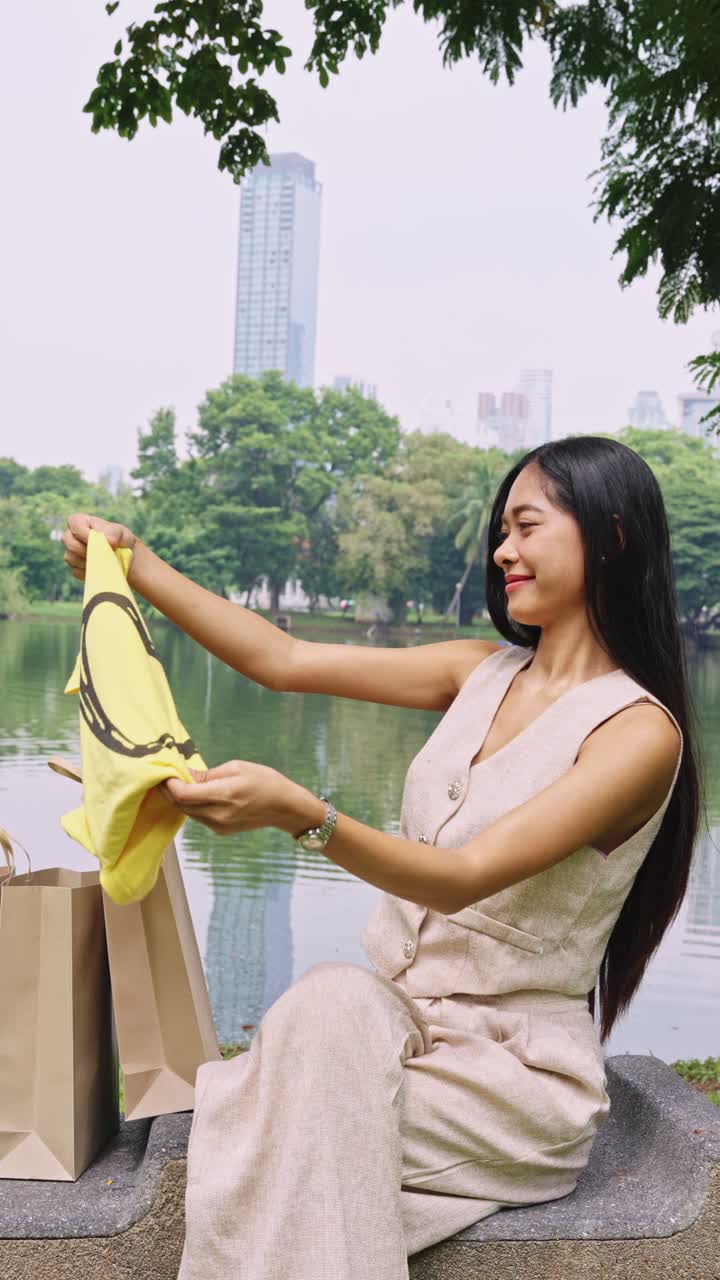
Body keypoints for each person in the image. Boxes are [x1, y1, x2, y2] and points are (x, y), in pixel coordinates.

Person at [62, 435, 702, 1280]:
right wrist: (136, 564)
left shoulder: (637, 733)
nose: (503, 550)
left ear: (612, 537)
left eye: (527, 525)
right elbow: (281, 661)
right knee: (326, 1000)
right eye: (500, 531)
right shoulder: (481, 671)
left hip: (507, 1081)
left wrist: (304, 816)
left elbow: (468, 876)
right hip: (388, 1033)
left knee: (270, 1127)